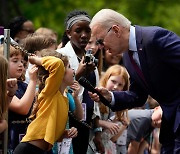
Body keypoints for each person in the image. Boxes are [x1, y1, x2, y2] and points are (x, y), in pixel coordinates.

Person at [89, 8, 180, 153]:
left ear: (116, 30)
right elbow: (138, 96)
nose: (100, 47)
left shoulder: (155, 37)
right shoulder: (127, 56)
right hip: (170, 131)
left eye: (100, 40)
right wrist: (110, 96)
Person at [57, 10, 103, 154]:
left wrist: (97, 132)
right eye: (78, 31)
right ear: (69, 33)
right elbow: (56, 90)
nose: (84, 35)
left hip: (86, 125)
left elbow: (93, 100)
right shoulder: (61, 56)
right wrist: (79, 74)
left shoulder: (90, 59)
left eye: (87, 31)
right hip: (68, 125)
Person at [14, 49, 77, 154]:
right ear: (59, 73)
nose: (74, 70)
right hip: (29, 150)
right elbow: (57, 64)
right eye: (69, 67)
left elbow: (50, 133)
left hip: (42, 150)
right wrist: (36, 60)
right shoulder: (50, 92)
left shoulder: (63, 98)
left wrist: (66, 133)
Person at [92, 64, 130, 154]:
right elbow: (87, 118)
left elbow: (113, 138)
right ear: (106, 79)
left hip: (104, 146)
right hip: (90, 141)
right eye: (113, 81)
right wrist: (105, 123)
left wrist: (122, 124)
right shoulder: (95, 96)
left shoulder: (119, 106)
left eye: (120, 85)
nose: (116, 87)